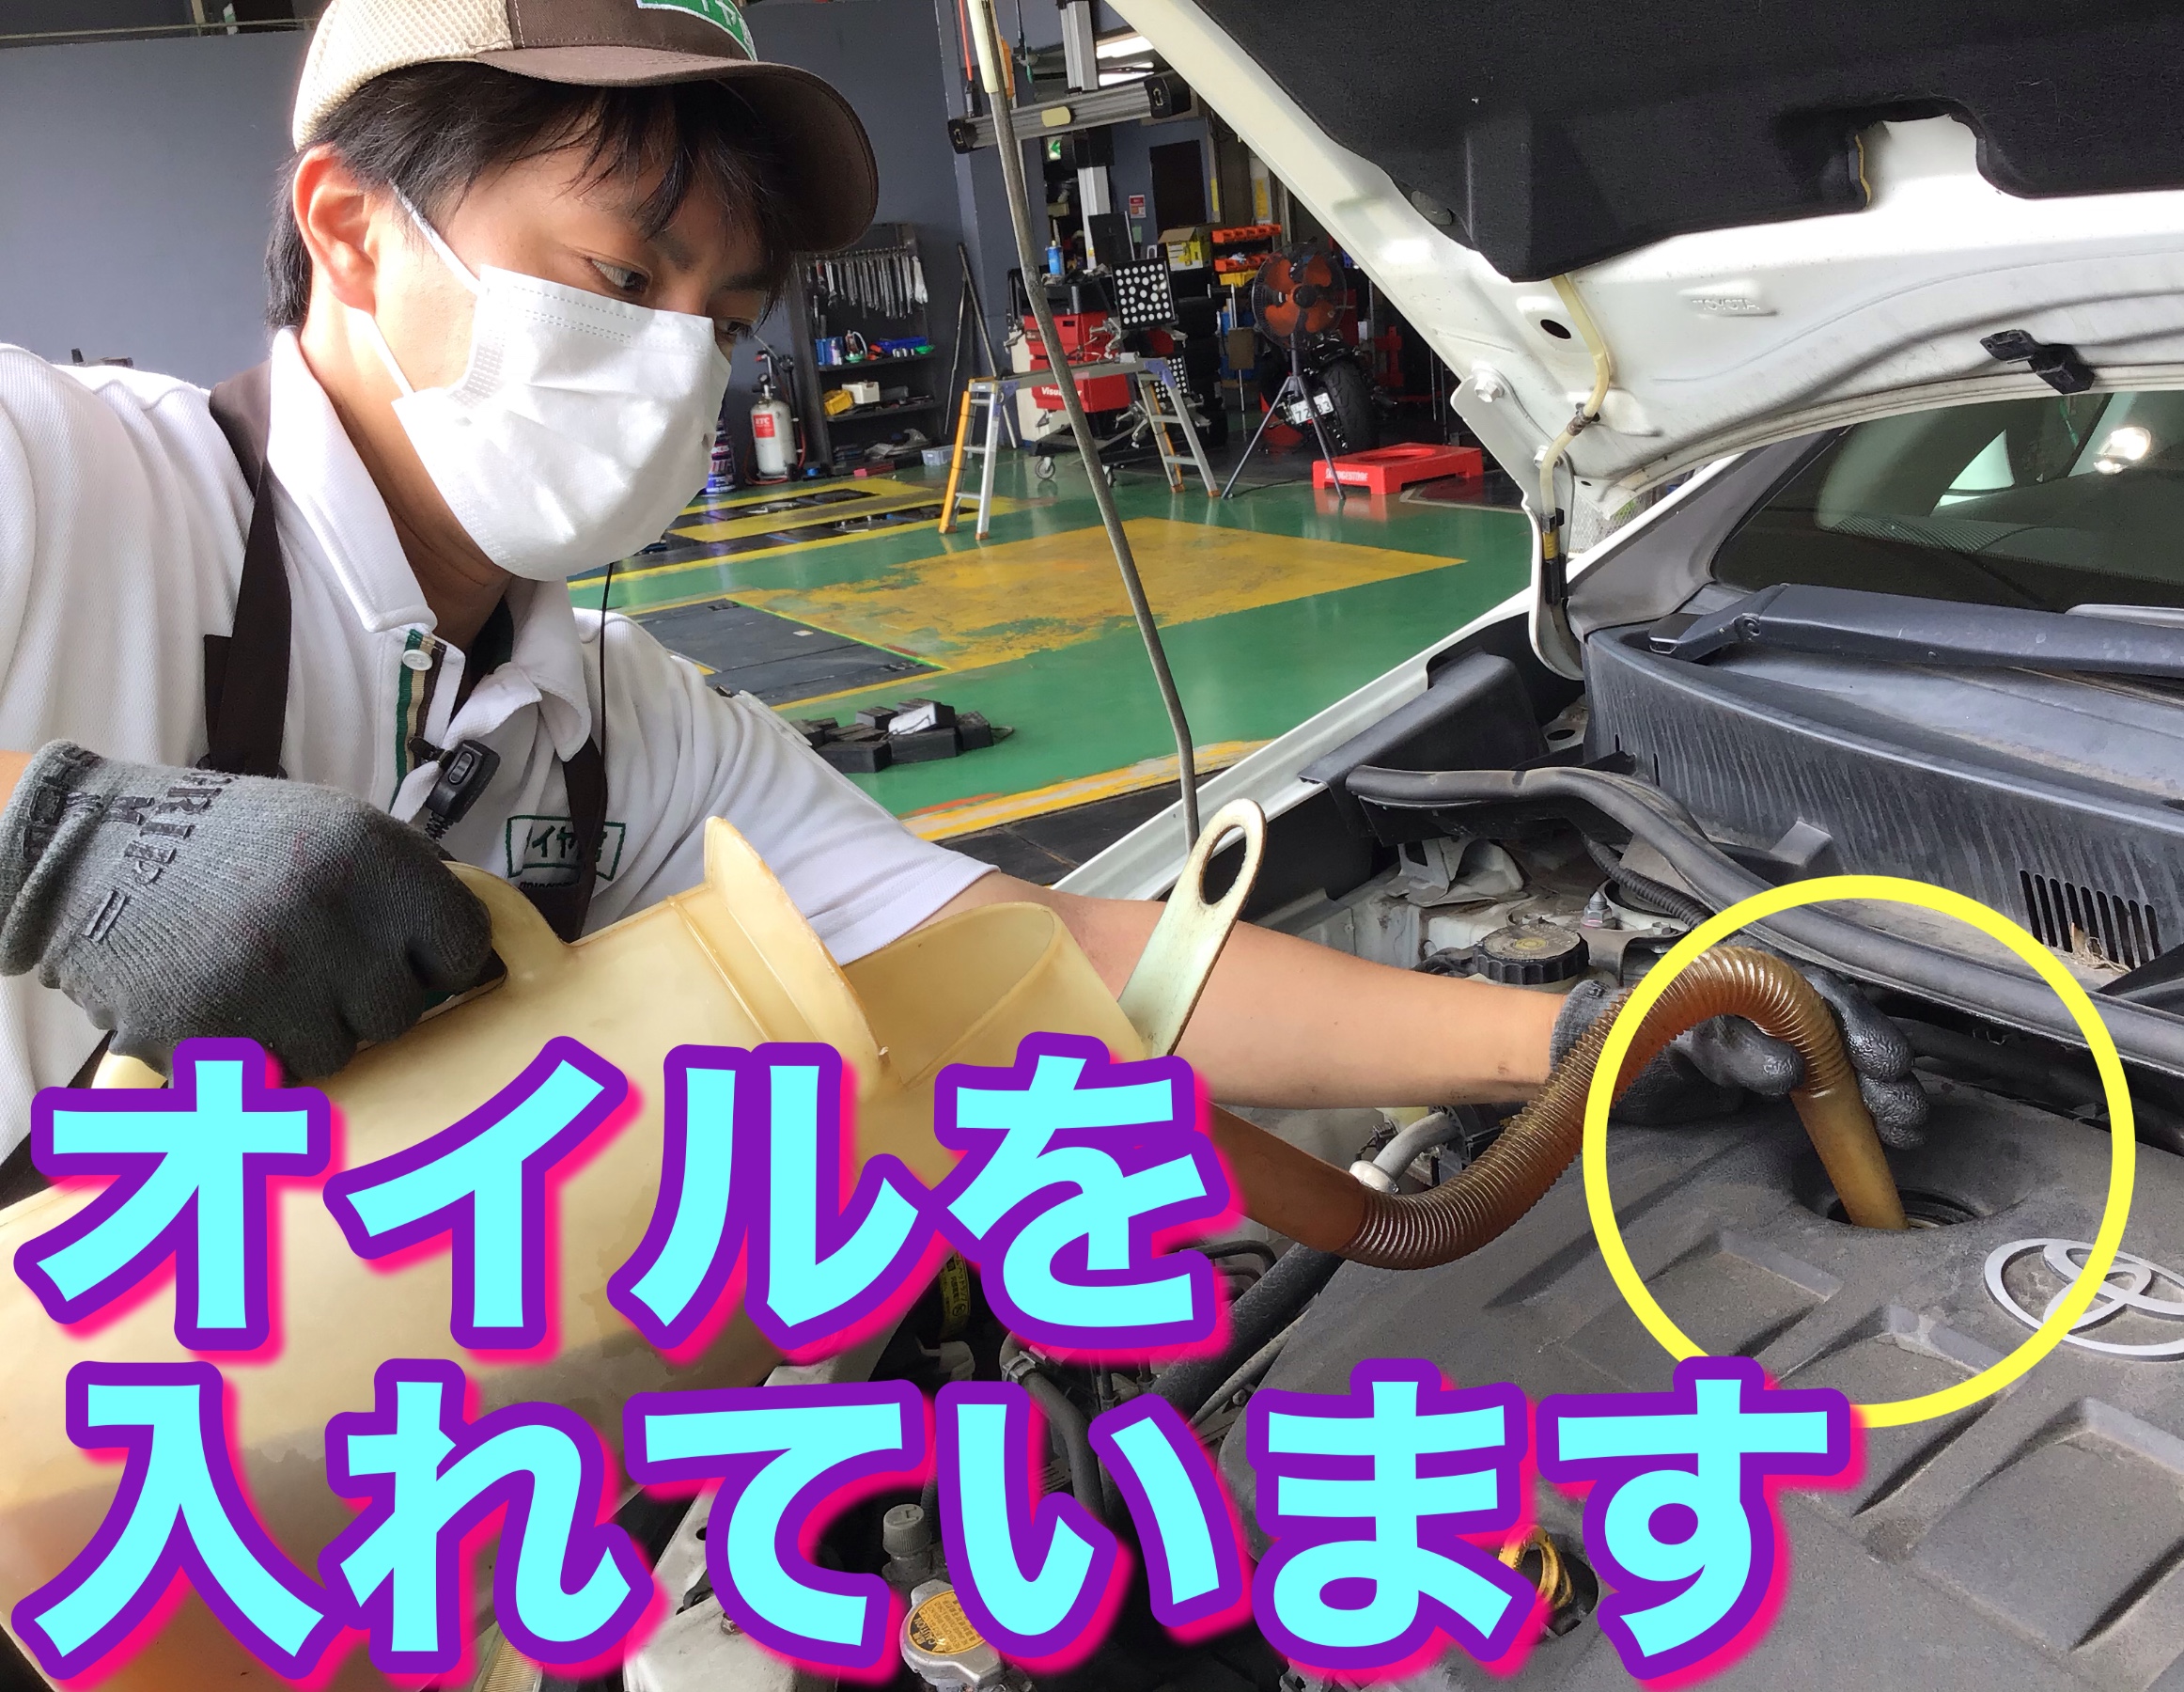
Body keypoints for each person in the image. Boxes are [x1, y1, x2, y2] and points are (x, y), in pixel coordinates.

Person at [0, 0, 1925, 1177]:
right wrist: (55, 837)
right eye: (619, 278)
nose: (678, 365)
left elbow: (1039, 963)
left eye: (721, 316)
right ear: (352, 228)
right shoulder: (73, 484)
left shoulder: (617, 733)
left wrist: (1575, 1042)